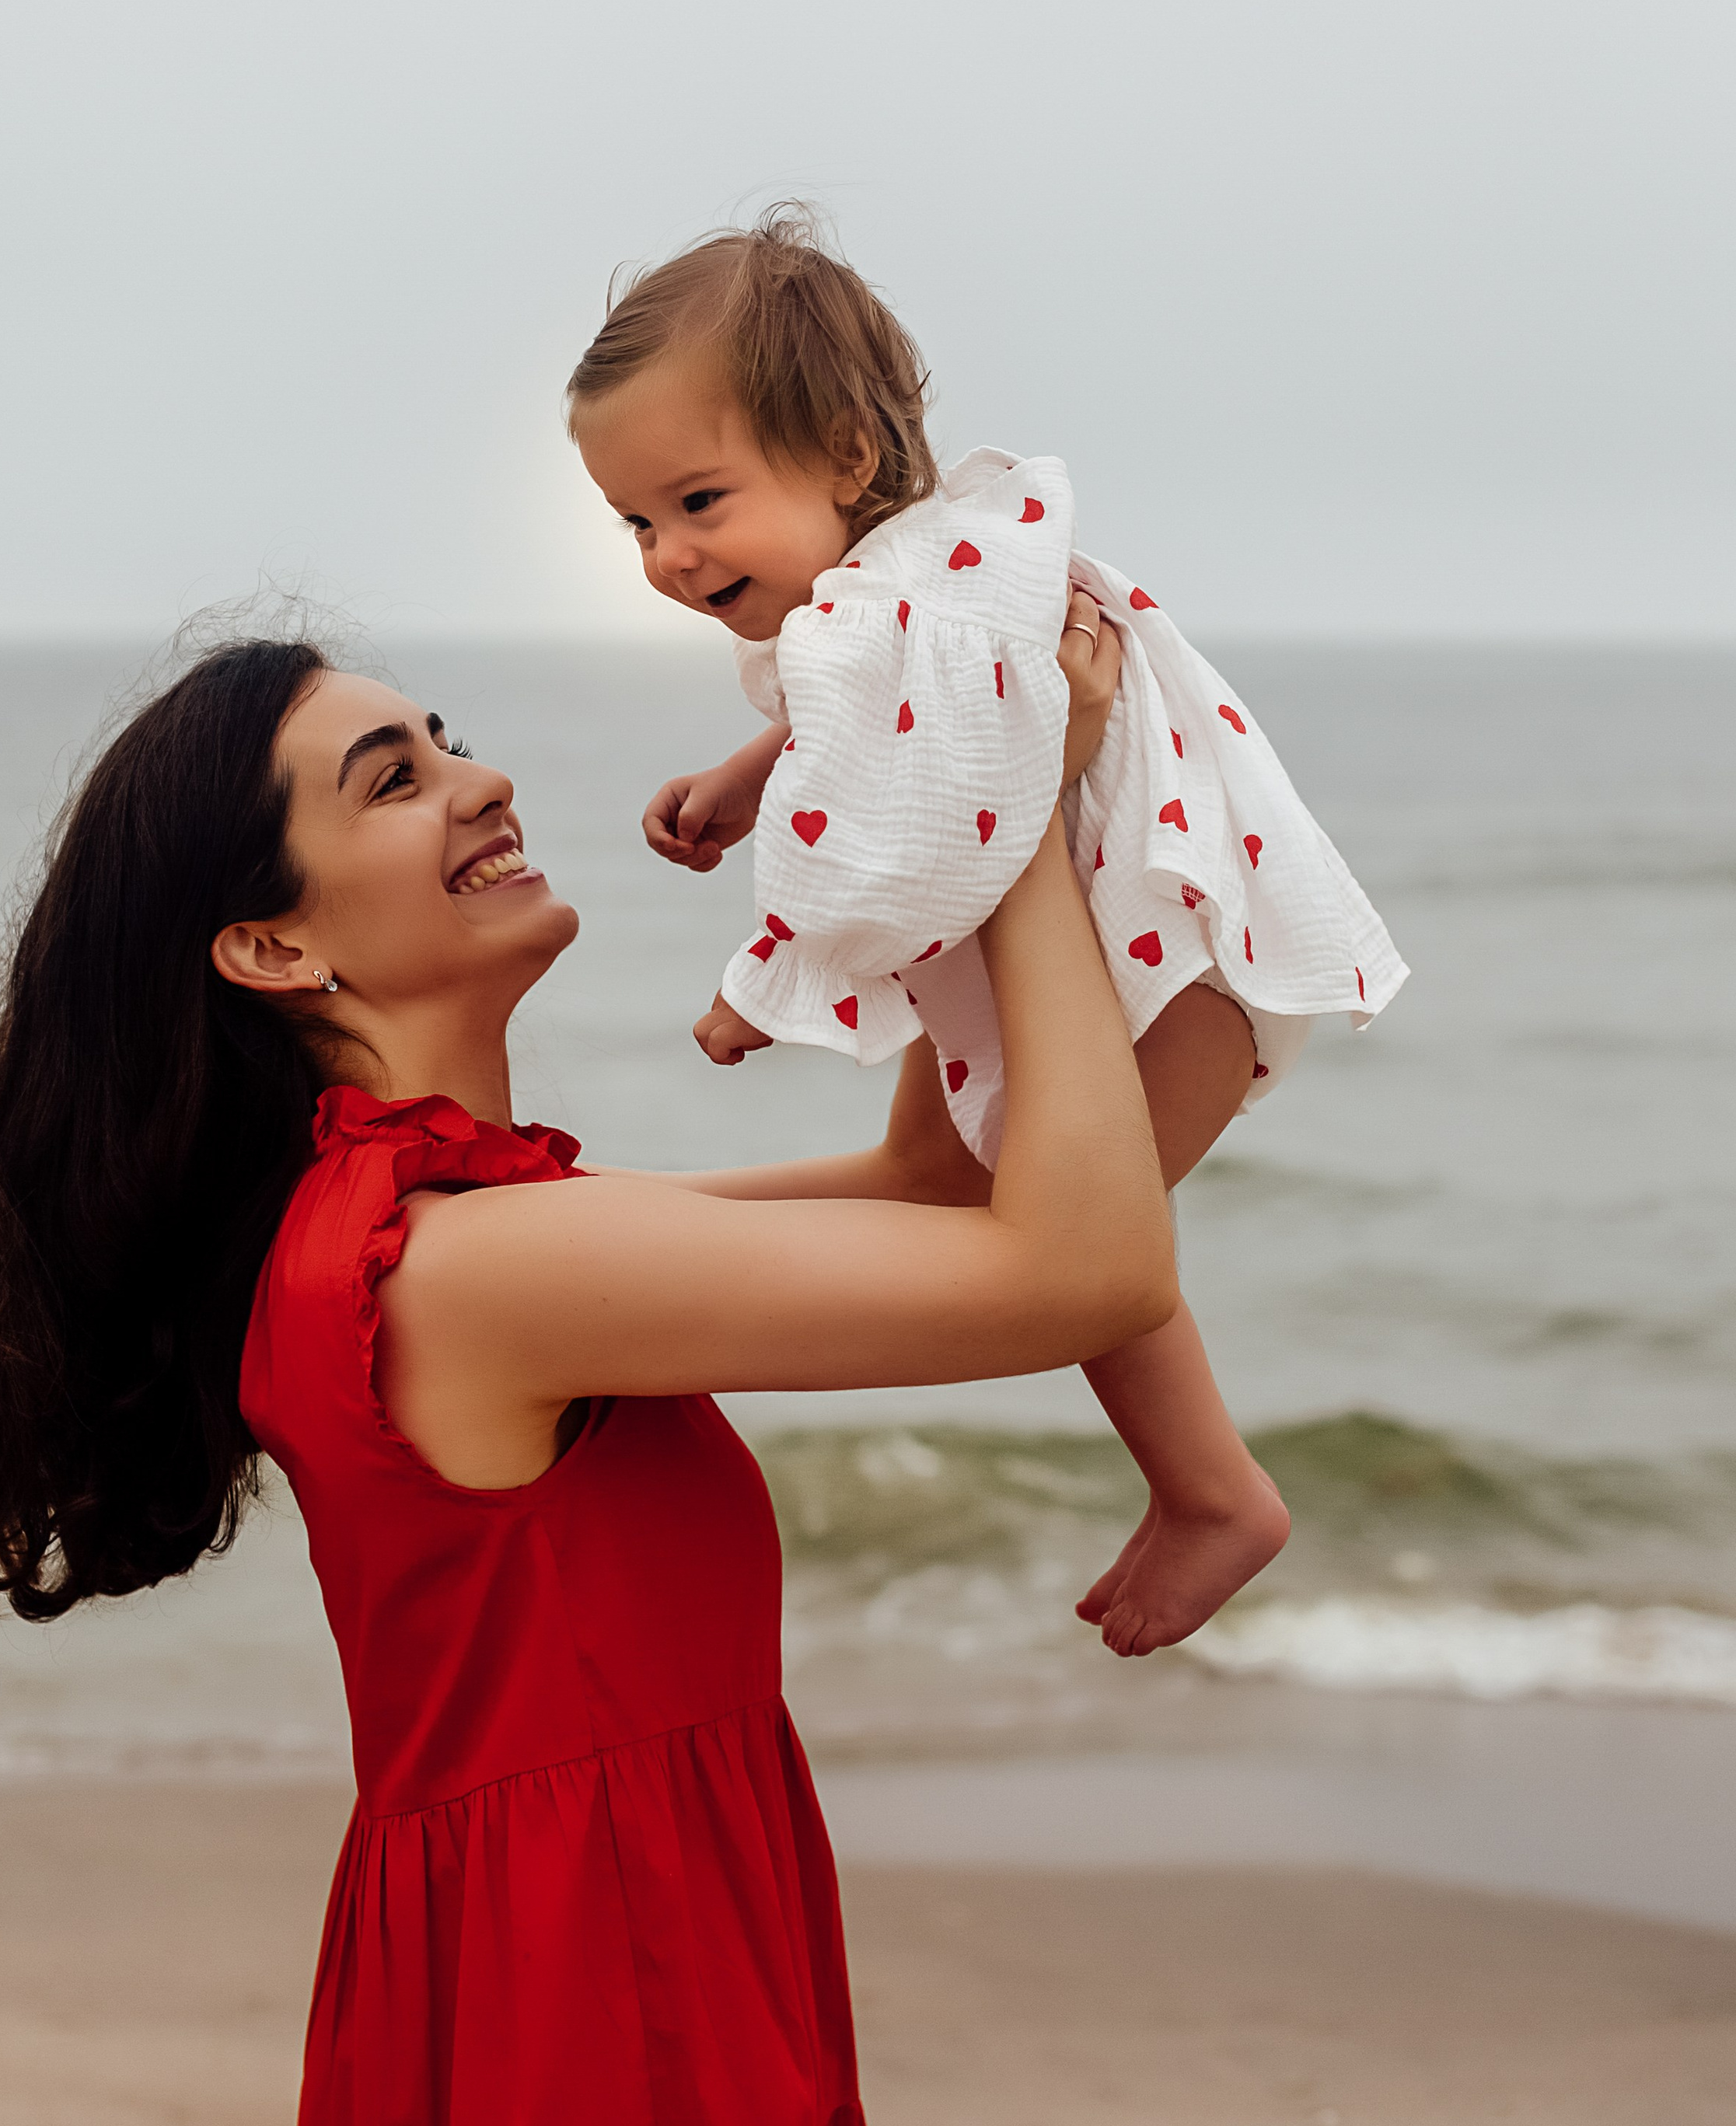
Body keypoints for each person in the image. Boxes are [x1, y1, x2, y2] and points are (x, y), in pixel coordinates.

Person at [0, 629, 1173, 2126]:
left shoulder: (440, 1226)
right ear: (273, 949)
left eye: (445, 740)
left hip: (570, 1971)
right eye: (391, 779)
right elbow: (1079, 1271)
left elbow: (936, 1189)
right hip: (584, 2009)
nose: (476, 781)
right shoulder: (467, 1270)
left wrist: (934, 815)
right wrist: (1023, 822)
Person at [568, 211, 1406, 1656]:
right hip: (1114, 945)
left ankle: (1215, 1493)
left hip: (1166, 969)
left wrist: (762, 985)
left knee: (1078, 1241)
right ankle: (603, 1225)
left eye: (699, 502)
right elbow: (862, 734)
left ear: (844, 454)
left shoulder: (919, 602)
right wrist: (746, 778)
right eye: (638, 524)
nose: (669, 556)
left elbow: (908, 823)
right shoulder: (923, 578)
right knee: (928, 1181)